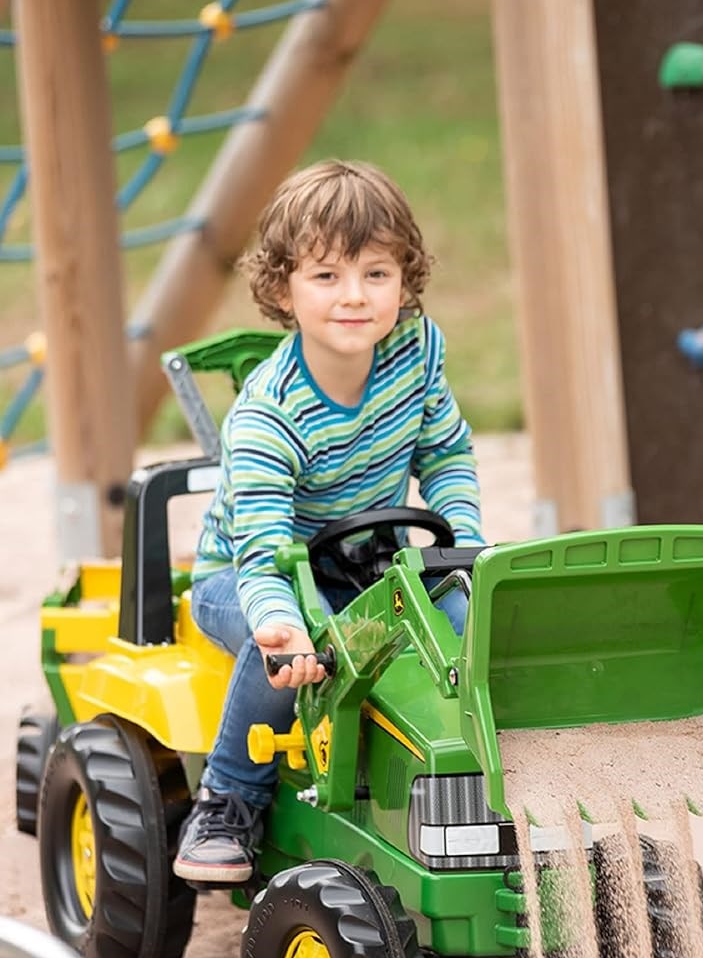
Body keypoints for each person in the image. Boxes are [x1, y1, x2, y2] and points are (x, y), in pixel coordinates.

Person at [174, 159, 482, 883]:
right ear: (282, 288)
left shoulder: (417, 351)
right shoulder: (268, 415)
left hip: (370, 560)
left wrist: (460, 543)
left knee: (470, 621)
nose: (356, 297)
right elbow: (262, 552)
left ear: (405, 279)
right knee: (280, 651)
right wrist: (286, 622)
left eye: (377, 274)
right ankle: (227, 799)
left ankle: (492, 772)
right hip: (245, 576)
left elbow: (446, 452)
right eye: (327, 277)